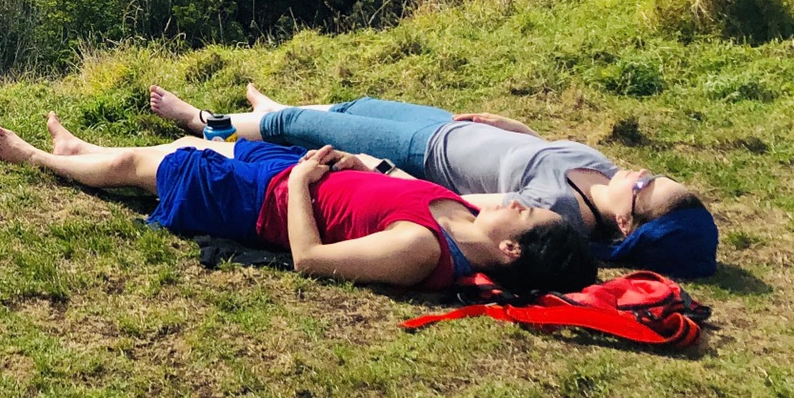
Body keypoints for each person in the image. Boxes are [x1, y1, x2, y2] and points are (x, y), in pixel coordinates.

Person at [149, 84, 718, 279]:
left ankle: (201, 120)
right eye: (656, 175)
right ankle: (272, 110)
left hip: (424, 152)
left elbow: (467, 208)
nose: (640, 174)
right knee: (354, 105)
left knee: (298, 127)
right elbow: (537, 149)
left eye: (645, 190)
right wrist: (511, 126)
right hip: (442, 125)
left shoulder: (556, 212)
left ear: (624, 223)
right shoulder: (602, 170)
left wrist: (383, 173)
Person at [0, 113, 596, 292]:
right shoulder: (464, 213)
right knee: (180, 142)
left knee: (141, 169)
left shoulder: (420, 249)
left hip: (266, 203)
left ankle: (43, 161)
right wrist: (359, 165)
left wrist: (304, 185)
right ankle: (79, 147)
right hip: (292, 176)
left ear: (510, 247)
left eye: (525, 211)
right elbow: (390, 186)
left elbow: (309, 258)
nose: (516, 201)